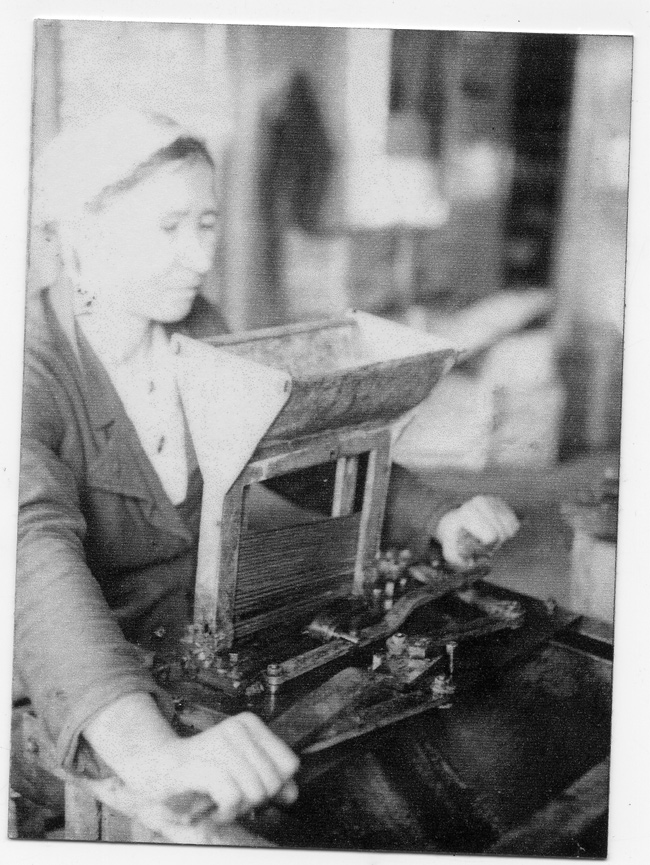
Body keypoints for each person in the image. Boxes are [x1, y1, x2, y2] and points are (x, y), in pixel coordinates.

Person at [14, 108, 519, 828]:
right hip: (77, 678)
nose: (200, 258)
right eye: (169, 227)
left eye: (208, 224)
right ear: (80, 233)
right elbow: (30, 558)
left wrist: (437, 515)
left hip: (195, 637)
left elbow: (295, 449)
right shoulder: (28, 369)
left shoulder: (198, 327)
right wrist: (152, 753)